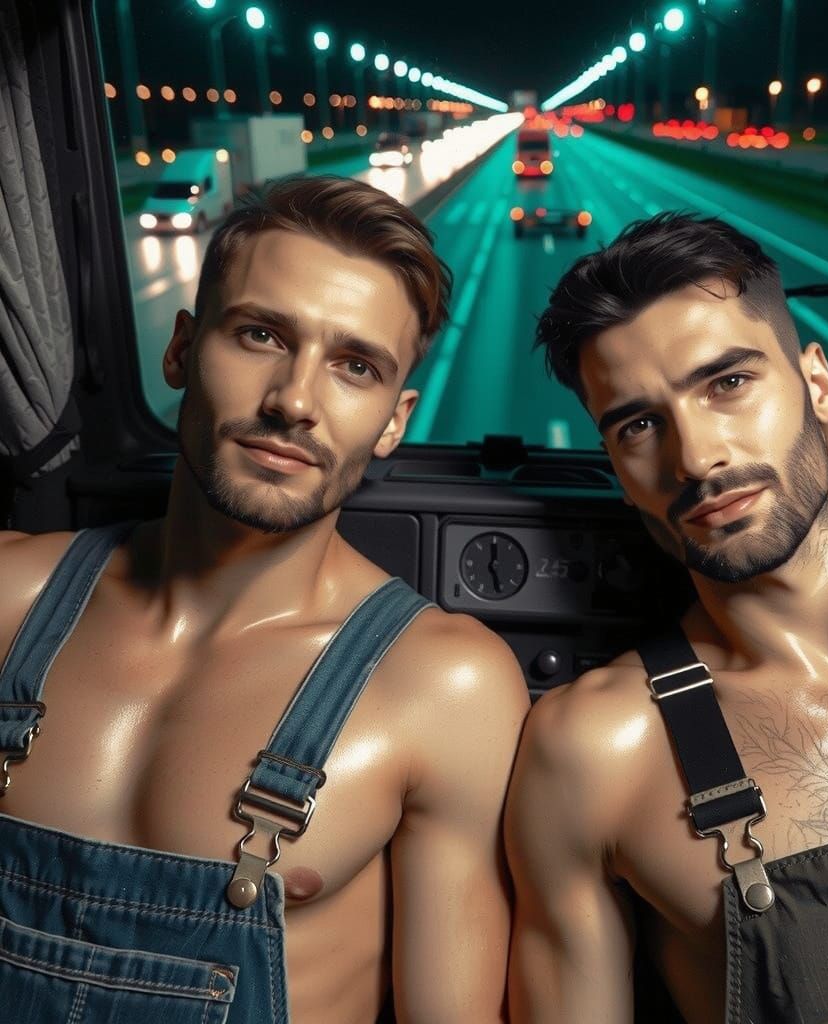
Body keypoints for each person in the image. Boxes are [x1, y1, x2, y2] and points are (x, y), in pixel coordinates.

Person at [0, 176, 529, 1024]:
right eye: (259, 335)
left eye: (354, 367)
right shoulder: (9, 601)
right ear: (180, 350)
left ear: (394, 421)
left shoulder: (441, 690)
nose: (292, 401)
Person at [507, 212, 828, 1023]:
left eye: (729, 383)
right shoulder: (599, 751)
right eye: (639, 424)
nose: (697, 456)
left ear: (814, 379)